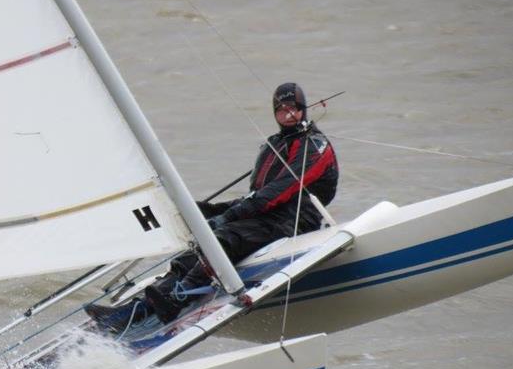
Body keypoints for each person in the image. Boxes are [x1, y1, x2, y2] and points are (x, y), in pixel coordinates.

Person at [85, 82, 339, 332]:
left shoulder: (315, 145)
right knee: (196, 243)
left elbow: (277, 193)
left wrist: (227, 217)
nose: (288, 114)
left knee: (222, 237)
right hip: (266, 217)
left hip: (294, 220)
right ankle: (131, 312)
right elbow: (256, 196)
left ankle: (178, 299)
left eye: (293, 108)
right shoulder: (273, 145)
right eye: (282, 110)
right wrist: (206, 211)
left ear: (304, 109)